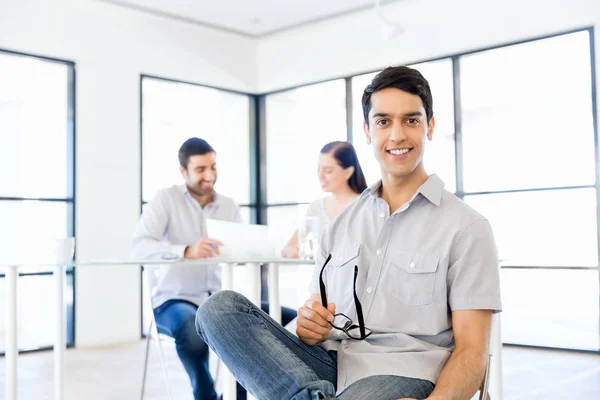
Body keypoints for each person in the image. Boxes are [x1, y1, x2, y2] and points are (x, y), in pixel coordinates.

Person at [195, 66, 502, 400]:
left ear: (430, 125)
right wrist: (309, 327)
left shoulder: (467, 227)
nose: (396, 135)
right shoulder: (340, 223)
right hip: (329, 362)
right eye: (384, 121)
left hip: (404, 372)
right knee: (218, 309)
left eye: (411, 120)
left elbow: (473, 351)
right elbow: (314, 319)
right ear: (368, 131)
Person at [131, 137, 296, 400]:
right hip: (173, 301)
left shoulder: (227, 205)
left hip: (216, 299)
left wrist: (274, 248)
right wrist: (185, 250)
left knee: (281, 315)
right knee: (191, 329)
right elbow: (139, 245)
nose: (210, 175)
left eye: (213, 166)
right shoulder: (165, 200)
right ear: (183, 171)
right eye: (200, 169)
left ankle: (239, 394)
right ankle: (206, 395)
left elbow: (246, 247)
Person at [282, 141, 367, 258]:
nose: (320, 175)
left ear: (348, 172)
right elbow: (287, 248)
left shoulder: (364, 206)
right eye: (318, 169)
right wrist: (293, 251)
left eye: (328, 171)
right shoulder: (316, 207)